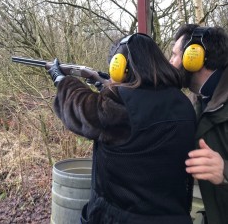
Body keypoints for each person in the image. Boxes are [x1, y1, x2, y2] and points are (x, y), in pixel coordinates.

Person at [46, 33, 196, 224]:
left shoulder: (121, 105)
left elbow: (79, 108)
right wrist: (106, 87)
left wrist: (61, 80)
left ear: (120, 66)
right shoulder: (183, 102)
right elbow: (138, 113)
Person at [170, 24, 228, 224]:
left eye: (174, 55)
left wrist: (225, 170)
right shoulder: (199, 100)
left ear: (194, 57)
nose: (170, 63)